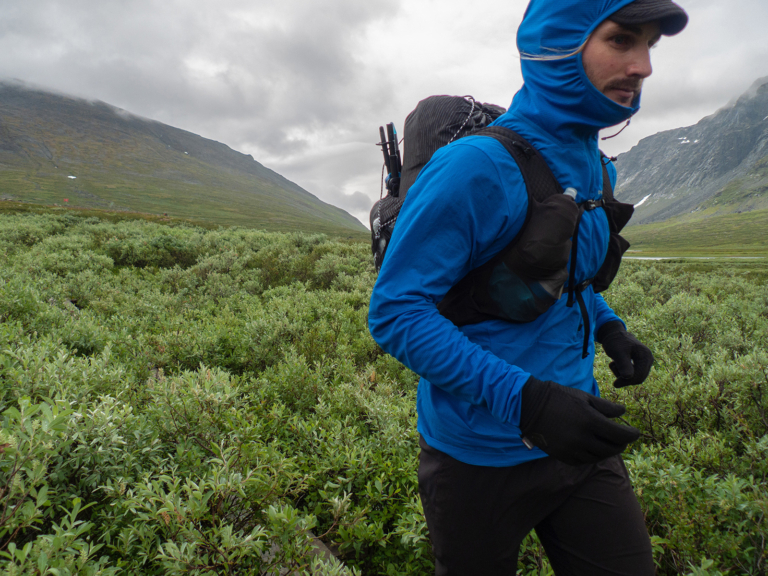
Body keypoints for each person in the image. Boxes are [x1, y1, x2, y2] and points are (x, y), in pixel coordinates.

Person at [367, 0, 688, 574]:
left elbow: (565, 275)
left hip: (577, 435)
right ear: (561, 46)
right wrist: (529, 402)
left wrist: (610, 325)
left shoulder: (596, 164)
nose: (643, 66)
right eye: (621, 40)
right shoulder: (475, 167)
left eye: (650, 46)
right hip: (476, 456)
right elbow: (396, 312)